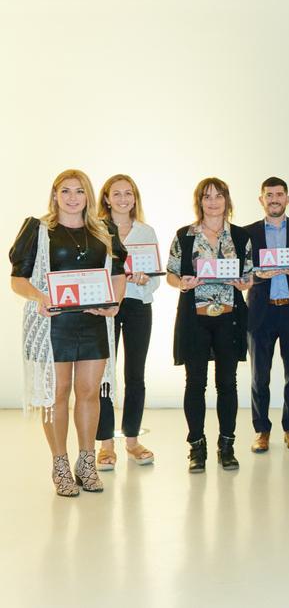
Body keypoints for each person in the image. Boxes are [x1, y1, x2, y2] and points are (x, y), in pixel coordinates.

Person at [11, 170, 126, 497]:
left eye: (79, 191)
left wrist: (114, 304)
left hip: (92, 322)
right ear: (55, 195)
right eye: (66, 191)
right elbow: (17, 279)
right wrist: (40, 297)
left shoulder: (105, 231)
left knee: (89, 392)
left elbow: (118, 273)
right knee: (57, 395)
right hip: (53, 324)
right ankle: (59, 465)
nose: (73, 197)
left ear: (88, 195)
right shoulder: (39, 230)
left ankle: (86, 463)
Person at [167, 177, 254, 473]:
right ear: (199, 202)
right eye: (207, 197)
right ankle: (197, 447)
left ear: (227, 200)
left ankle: (226, 446)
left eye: (219, 196)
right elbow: (171, 274)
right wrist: (183, 283)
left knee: (227, 383)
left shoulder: (241, 237)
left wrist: (243, 283)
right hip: (195, 318)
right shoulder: (185, 235)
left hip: (230, 318)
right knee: (195, 383)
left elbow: (249, 277)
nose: (213, 201)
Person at [245, 177, 289, 454]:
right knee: (259, 375)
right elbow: (241, 271)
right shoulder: (247, 232)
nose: (274, 199)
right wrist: (257, 275)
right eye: (269, 195)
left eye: (279, 194)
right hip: (261, 312)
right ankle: (262, 430)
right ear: (261, 200)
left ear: (288, 199)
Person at [95, 174, 158, 470]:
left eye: (128, 193)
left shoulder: (146, 231)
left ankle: (132, 440)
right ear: (106, 198)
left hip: (137, 305)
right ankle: (105, 445)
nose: (123, 199)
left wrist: (145, 281)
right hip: (105, 306)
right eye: (116, 193)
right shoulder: (95, 230)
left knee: (135, 374)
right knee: (103, 375)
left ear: (135, 198)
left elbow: (155, 279)